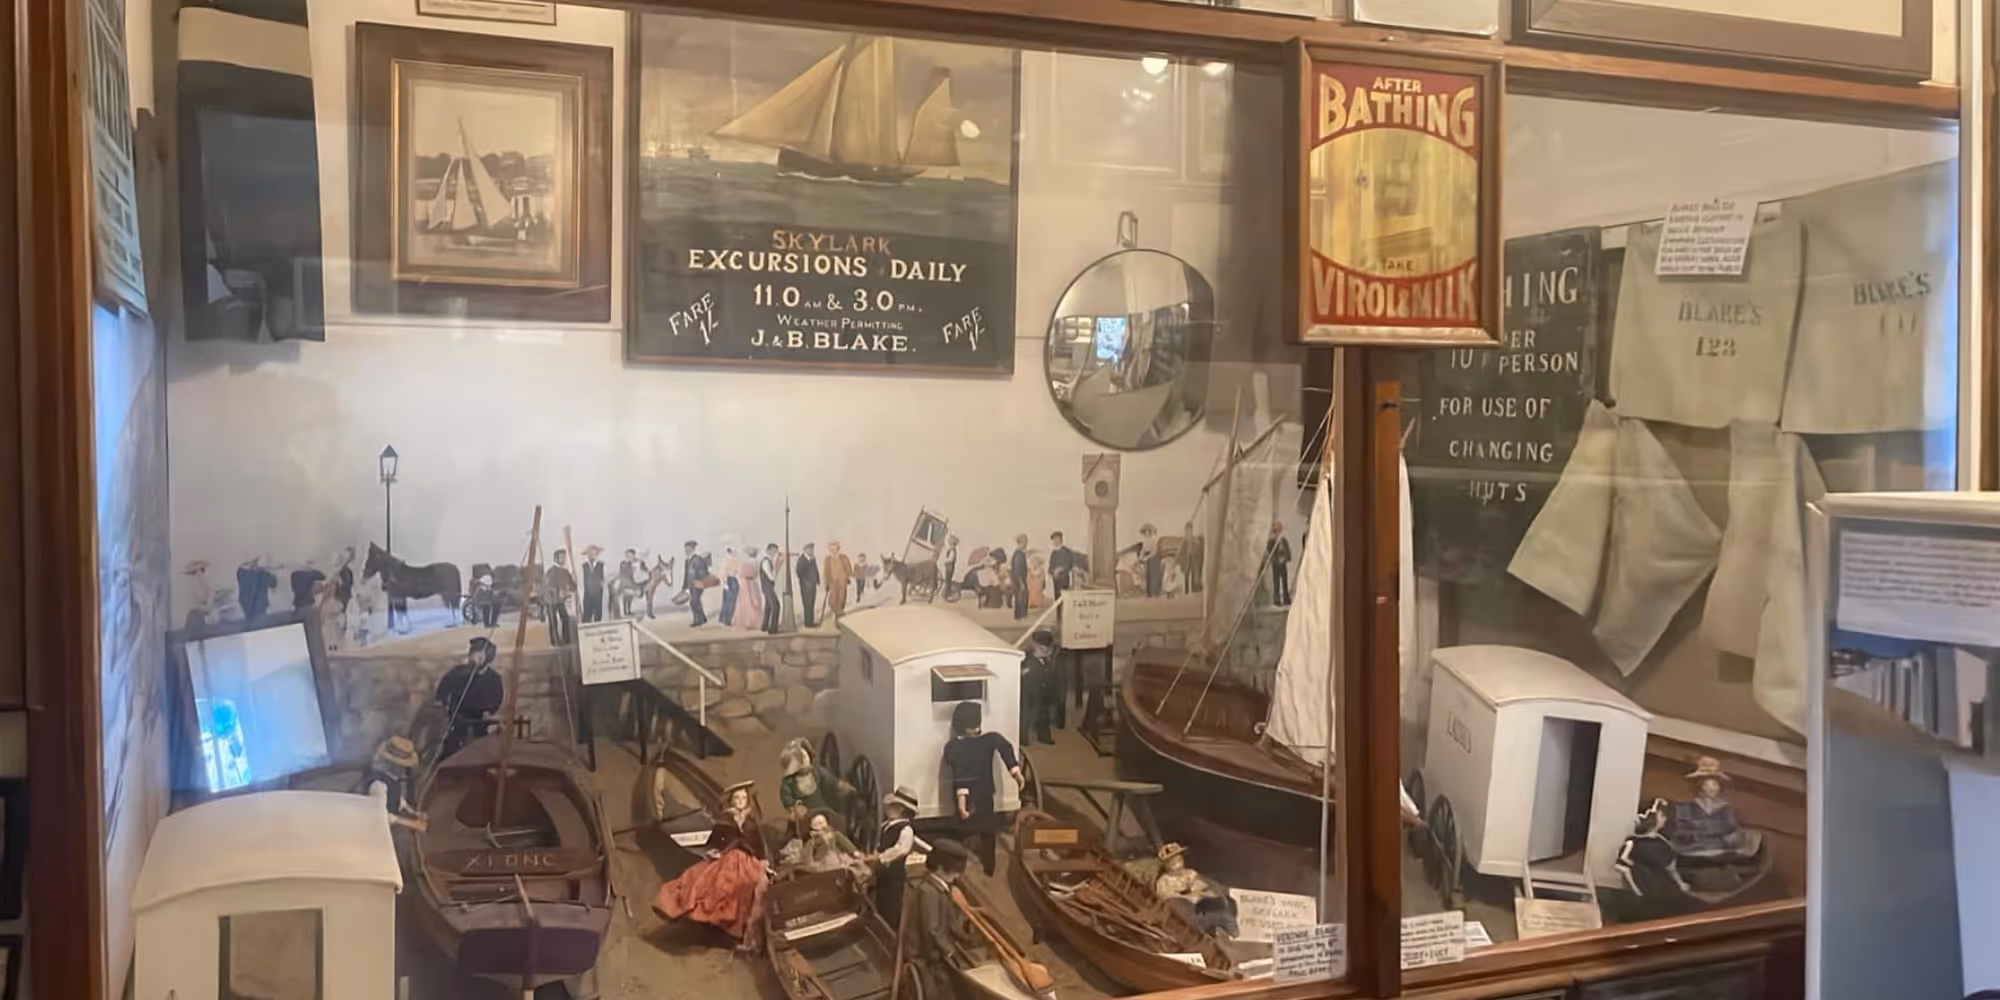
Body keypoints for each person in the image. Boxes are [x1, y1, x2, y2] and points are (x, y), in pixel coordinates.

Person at [655, 782, 772, 953]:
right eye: (737, 798)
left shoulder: (751, 822)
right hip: (728, 859)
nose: (740, 801)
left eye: (743, 798)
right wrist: (717, 851)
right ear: (731, 801)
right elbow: (714, 840)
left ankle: (738, 927)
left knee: (747, 887)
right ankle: (702, 913)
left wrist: (763, 862)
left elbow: (759, 846)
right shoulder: (725, 821)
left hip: (748, 862)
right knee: (705, 879)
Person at [940, 701, 1023, 876]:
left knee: (961, 829)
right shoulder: (990, 739)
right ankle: (989, 867)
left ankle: (959, 866)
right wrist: (1015, 771)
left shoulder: (955, 747)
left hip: (968, 797)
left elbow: (961, 773)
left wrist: (961, 802)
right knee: (988, 830)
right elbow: (1005, 747)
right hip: (985, 793)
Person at [910, 839, 971, 1000]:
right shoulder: (928, 892)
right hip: (931, 961)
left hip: (938, 954)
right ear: (940, 868)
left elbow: (949, 923)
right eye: (954, 871)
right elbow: (932, 931)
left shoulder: (940, 889)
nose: (957, 875)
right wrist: (950, 952)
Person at [1666, 756, 1760, 858]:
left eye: (1715, 784)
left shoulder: (1725, 809)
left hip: (1719, 851)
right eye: (1707, 785)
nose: (1712, 788)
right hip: (1691, 851)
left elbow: (1732, 830)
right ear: (1699, 786)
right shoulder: (1685, 807)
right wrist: (1700, 834)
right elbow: (1679, 832)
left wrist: (1732, 837)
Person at [435, 637, 504, 757]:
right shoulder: (458, 672)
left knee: (481, 748)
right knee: (452, 747)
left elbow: (497, 697)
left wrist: (489, 710)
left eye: (479, 656)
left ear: (487, 658)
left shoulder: (494, 678)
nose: (475, 659)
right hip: (459, 716)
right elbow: (445, 685)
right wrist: (442, 701)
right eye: (473, 655)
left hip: (480, 719)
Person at [1153, 842, 1239, 938]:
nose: (1178, 865)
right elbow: (1169, 900)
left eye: (1179, 860)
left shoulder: (1190, 873)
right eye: (1173, 863)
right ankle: (1207, 926)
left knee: (1222, 906)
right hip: (1184, 915)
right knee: (1181, 908)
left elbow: (1202, 888)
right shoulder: (1163, 881)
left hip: (1200, 907)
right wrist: (1188, 896)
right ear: (1166, 865)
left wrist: (1204, 893)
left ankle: (1225, 930)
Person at [1616, 799, 1690, 899]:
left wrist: (1681, 884)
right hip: (1652, 889)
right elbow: (1671, 868)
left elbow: (1671, 867)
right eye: (1662, 816)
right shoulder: (1636, 843)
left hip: (1659, 888)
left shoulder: (1661, 843)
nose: (1665, 819)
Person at [779, 737, 850, 832]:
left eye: (805, 756)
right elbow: (787, 798)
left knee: (835, 827)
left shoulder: (817, 771)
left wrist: (838, 784)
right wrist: (795, 806)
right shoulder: (789, 782)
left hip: (824, 810)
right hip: (803, 818)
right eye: (800, 759)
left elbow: (830, 780)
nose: (804, 760)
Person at [873, 787, 919, 921]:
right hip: (882, 873)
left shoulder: (905, 829)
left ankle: (891, 927)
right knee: (880, 902)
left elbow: (901, 849)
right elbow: (880, 844)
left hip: (894, 874)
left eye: (892, 806)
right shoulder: (886, 826)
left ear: (901, 809)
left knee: (892, 905)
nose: (888, 808)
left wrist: (881, 858)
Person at [799, 808, 866, 875]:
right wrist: (807, 861)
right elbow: (808, 851)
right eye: (816, 824)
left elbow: (844, 843)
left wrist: (853, 851)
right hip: (820, 861)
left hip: (836, 857)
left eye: (822, 822)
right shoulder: (813, 841)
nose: (821, 826)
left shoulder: (835, 835)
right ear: (812, 826)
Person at [1020, 630, 1056, 745]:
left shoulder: (1048, 660)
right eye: (1042, 647)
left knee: (1043, 715)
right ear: (1035, 645)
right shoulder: (1027, 660)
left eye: (1047, 647)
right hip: (1028, 692)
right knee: (1025, 715)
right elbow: (1025, 677)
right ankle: (1022, 738)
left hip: (1043, 692)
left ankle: (1044, 736)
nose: (1046, 650)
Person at [546, 548, 577, 646]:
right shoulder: (551, 571)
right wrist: (558, 591)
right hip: (551, 601)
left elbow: (572, 587)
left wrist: (572, 584)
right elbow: (548, 586)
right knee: (553, 622)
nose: (564, 559)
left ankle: (566, 640)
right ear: (556, 558)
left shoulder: (566, 572)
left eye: (564, 557)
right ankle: (554, 642)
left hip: (561, 601)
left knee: (565, 619)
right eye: (561, 557)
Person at [732, 546, 764, 630]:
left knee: (747, 602)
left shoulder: (745, 564)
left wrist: (741, 582)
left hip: (746, 584)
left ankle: (748, 621)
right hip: (752, 583)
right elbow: (757, 574)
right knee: (753, 601)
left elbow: (739, 574)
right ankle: (751, 621)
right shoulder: (756, 563)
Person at [237, 556, 277, 622]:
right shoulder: (260, 574)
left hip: (248, 606)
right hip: (259, 607)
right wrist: (269, 570)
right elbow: (273, 583)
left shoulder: (241, 572)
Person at [823, 542, 854, 622]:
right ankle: (835, 610)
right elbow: (826, 572)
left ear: (838, 549)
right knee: (833, 598)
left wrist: (849, 575)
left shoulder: (844, 558)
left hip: (842, 580)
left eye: (835, 549)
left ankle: (840, 611)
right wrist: (826, 582)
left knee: (841, 596)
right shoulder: (827, 560)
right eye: (832, 549)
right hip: (832, 581)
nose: (834, 551)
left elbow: (848, 568)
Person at [682, 541, 711, 627]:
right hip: (691, 585)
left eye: (688, 549)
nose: (686, 551)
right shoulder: (687, 560)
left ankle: (698, 620)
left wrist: (700, 580)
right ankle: (702, 618)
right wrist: (685, 586)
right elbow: (686, 575)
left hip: (697, 584)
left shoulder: (698, 559)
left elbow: (703, 572)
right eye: (686, 549)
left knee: (694, 601)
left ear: (692, 549)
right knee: (694, 602)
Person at [1266, 521, 1293, 607]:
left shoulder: (1283, 540)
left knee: (1284, 581)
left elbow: (1287, 550)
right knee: (1276, 582)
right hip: (1276, 563)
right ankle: (1276, 599)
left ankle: (1286, 598)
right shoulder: (1272, 541)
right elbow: (1270, 552)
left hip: (1282, 562)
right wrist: (1275, 560)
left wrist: (1286, 558)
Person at [796, 543, 821, 628]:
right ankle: (808, 622)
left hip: (813, 585)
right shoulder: (801, 560)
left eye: (812, 549)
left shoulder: (813, 559)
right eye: (810, 549)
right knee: (807, 604)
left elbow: (815, 570)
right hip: (806, 587)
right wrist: (805, 582)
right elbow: (799, 572)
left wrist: (817, 580)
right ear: (805, 550)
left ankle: (811, 621)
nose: (811, 551)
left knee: (812, 603)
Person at [580, 545, 607, 623]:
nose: (591, 555)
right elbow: (581, 582)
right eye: (589, 554)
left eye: (593, 553)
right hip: (587, 594)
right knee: (587, 614)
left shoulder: (602, 565)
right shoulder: (583, 566)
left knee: (598, 613)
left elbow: (605, 580)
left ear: (597, 554)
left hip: (598, 594)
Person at [759, 543, 782, 634]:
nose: (775, 553)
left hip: (767, 587)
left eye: (775, 551)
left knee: (768, 607)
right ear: (768, 551)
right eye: (773, 551)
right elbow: (771, 577)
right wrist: (777, 566)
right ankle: (773, 629)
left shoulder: (768, 561)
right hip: (767, 586)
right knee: (776, 606)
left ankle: (764, 626)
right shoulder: (766, 562)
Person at [1048, 531, 1077, 600]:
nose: (1054, 541)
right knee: (1057, 599)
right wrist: (1053, 571)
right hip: (1055, 582)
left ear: (1060, 539)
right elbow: (1050, 568)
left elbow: (1069, 565)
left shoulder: (1067, 552)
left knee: (1064, 600)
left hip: (1064, 581)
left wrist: (1060, 569)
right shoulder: (1053, 553)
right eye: (1053, 540)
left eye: (1056, 539)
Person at [614, 548, 642, 618]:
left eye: (630, 555)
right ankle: (624, 611)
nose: (628, 557)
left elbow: (638, 573)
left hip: (632, 582)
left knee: (630, 597)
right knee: (624, 596)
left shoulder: (636, 563)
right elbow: (622, 572)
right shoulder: (624, 563)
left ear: (633, 555)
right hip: (624, 582)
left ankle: (628, 610)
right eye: (627, 555)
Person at [719, 547, 741, 625]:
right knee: (729, 601)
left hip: (733, 580)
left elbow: (738, 572)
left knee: (731, 601)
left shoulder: (734, 561)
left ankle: (727, 619)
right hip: (729, 581)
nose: (735, 553)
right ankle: (725, 619)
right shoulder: (727, 561)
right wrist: (725, 584)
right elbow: (723, 573)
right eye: (734, 551)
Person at [942, 535, 960, 601]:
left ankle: (947, 594)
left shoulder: (952, 550)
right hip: (950, 566)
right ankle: (946, 593)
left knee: (948, 581)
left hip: (949, 566)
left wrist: (945, 561)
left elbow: (950, 559)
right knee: (947, 580)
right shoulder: (951, 550)